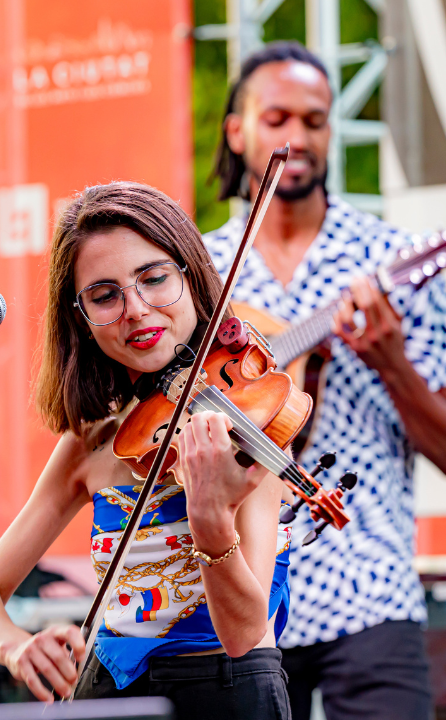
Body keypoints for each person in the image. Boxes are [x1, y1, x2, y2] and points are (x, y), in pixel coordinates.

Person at [0, 182, 293, 720]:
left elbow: (243, 633)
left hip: (228, 695)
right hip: (107, 697)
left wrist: (211, 519)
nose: (137, 310)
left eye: (154, 278)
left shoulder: (246, 422)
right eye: (104, 295)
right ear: (82, 319)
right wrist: (16, 647)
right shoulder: (91, 441)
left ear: (191, 277)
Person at [204, 40, 446, 720]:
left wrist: (392, 362)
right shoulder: (200, 273)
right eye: (277, 118)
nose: (298, 136)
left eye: (314, 120)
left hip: (366, 589)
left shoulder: (387, 260)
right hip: (232, 601)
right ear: (238, 129)